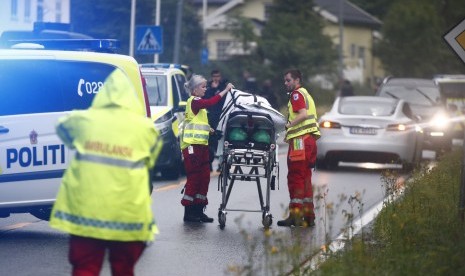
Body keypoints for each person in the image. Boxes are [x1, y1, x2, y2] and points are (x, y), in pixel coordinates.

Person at [49, 68, 162, 276]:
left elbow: (62, 129)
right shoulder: (146, 129)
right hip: (128, 216)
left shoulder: (83, 120)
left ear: (103, 94)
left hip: (87, 213)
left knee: (85, 268)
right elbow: (150, 161)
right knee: (124, 269)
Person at [181, 74, 234, 223]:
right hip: (192, 147)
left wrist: (211, 131)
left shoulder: (199, 106)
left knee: (204, 178)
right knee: (194, 178)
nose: (206, 89)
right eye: (203, 87)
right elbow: (211, 102)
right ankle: (189, 212)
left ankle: (199, 210)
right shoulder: (195, 101)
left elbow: (199, 124)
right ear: (195, 89)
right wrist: (225, 90)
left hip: (202, 146)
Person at [277, 69, 320, 228]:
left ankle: (295, 216)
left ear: (296, 80)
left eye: (288, 80)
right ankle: (308, 216)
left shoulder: (296, 95)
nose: (286, 83)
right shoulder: (305, 93)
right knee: (305, 178)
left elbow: (302, 114)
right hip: (309, 141)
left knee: (295, 177)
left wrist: (288, 125)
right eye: (285, 81)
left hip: (299, 142)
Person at [204, 69, 228, 171]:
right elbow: (206, 99)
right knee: (209, 142)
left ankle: (221, 164)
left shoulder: (224, 86)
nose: (216, 78)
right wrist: (213, 89)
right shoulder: (208, 86)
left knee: (221, 140)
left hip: (221, 116)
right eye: (214, 76)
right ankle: (208, 164)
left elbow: (225, 99)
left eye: (218, 76)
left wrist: (218, 89)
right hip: (210, 117)